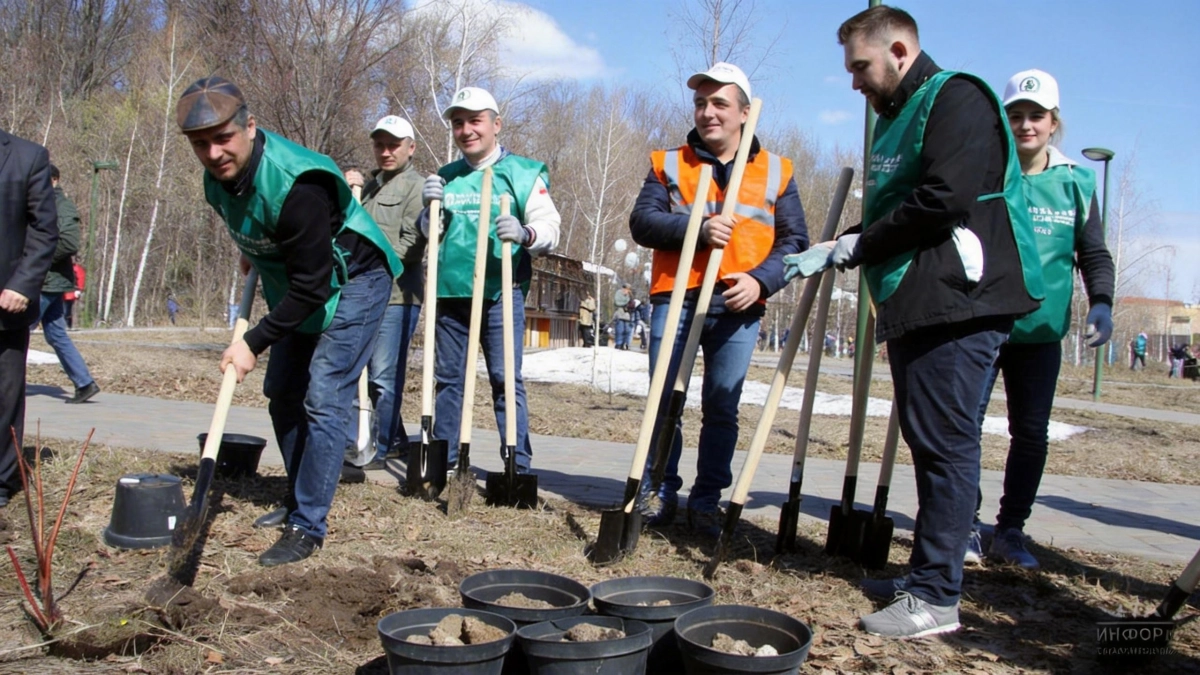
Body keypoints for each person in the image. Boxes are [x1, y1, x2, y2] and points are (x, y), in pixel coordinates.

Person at [830, 7, 1044, 638]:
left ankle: (937, 598)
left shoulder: (957, 98)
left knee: (948, 445)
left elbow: (943, 199)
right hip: (922, 301)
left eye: (861, 67)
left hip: (962, 300)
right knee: (930, 444)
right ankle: (928, 574)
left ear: (899, 50)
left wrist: (863, 244)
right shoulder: (903, 115)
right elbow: (901, 206)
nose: (854, 83)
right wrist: (847, 240)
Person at [177, 76, 401, 566]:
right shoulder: (216, 180)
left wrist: (252, 342)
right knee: (282, 391)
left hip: (357, 278)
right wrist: (253, 252)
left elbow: (311, 287)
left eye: (223, 138)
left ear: (250, 127)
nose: (213, 153)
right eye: (201, 144)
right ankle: (298, 494)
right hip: (304, 277)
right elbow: (256, 220)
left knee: (324, 393)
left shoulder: (299, 185)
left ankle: (308, 524)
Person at [631, 61, 807, 536]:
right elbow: (643, 222)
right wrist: (698, 227)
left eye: (720, 104)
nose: (708, 112)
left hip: (738, 304)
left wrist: (763, 281)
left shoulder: (777, 171)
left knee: (722, 408)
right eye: (700, 103)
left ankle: (706, 500)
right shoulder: (668, 162)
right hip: (678, 297)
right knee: (663, 401)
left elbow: (794, 241)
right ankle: (660, 490)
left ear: (745, 113)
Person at [970, 69, 1115, 570]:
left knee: (1030, 434)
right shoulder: (985, 172)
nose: (1026, 125)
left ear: (1054, 123)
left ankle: (1010, 531)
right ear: (1003, 122)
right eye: (1016, 116)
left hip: (1040, 332)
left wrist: (1102, 301)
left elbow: (1093, 252)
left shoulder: (1075, 182)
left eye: (1036, 116)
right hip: (982, 324)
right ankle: (963, 525)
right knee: (964, 428)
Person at [419, 86, 560, 477]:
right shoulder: (447, 177)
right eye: (458, 123)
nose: (466, 130)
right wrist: (427, 211)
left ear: (496, 125)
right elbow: (430, 234)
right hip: (451, 294)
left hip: (501, 292)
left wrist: (526, 233)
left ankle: (518, 465)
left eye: (475, 121)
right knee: (449, 381)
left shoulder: (522, 172)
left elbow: (550, 228)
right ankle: (443, 463)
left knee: (504, 379)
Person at [343, 115, 426, 471]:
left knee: (383, 375)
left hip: (396, 295)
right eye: (380, 144)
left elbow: (412, 244)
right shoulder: (369, 187)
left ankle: (383, 446)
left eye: (394, 145)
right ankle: (392, 439)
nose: (386, 151)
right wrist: (345, 189)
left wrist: (373, 263)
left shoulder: (417, 187)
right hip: (360, 292)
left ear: (411, 148)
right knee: (358, 369)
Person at [0, 130, 58, 509]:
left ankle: (2, 480)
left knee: (4, 393)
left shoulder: (27, 156)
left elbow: (44, 229)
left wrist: (23, 284)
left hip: (6, 301)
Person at [37, 165, 101, 404]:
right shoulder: (41, 203)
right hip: (47, 280)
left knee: (14, 331)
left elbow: (69, 242)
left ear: (54, 180)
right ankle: (84, 383)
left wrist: (35, 259)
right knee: (56, 334)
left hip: (45, 281)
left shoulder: (61, 206)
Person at [613, 283, 633, 350]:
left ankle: (623, 344)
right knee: (620, 330)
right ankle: (618, 343)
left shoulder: (630, 295)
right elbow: (617, 302)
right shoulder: (618, 293)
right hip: (619, 314)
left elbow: (632, 303)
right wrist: (626, 301)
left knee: (626, 331)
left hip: (627, 315)